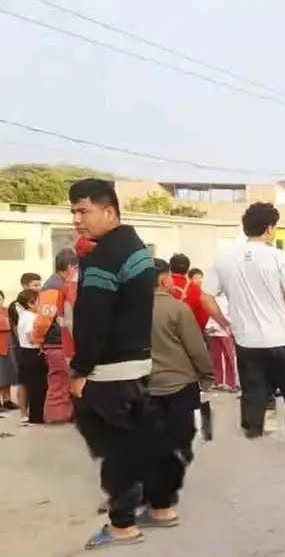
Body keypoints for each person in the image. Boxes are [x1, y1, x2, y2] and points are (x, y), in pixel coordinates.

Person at [67, 178, 157, 550]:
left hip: (108, 371)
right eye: (73, 211)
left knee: (114, 449)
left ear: (109, 211)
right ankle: (154, 501)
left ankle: (122, 525)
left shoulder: (103, 258)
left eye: (83, 211)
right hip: (137, 365)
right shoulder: (136, 248)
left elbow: (92, 321)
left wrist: (80, 370)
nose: (76, 220)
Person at [202, 202, 285, 442]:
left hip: (246, 341)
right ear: (270, 228)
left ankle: (253, 437)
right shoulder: (279, 257)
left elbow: (206, 297)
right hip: (281, 339)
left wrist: (225, 322)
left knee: (254, 393)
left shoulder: (224, 257)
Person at [143, 258, 214, 527]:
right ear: (163, 280)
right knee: (181, 440)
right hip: (180, 386)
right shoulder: (177, 309)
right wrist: (207, 375)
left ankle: (151, 495)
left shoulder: (128, 311)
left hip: (145, 386)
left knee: (151, 441)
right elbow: (196, 347)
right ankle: (163, 502)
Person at [32, 248, 80, 424]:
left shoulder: (56, 284)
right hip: (56, 343)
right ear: (70, 267)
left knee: (61, 382)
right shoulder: (55, 286)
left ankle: (60, 417)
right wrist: (38, 339)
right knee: (58, 383)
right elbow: (45, 318)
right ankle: (56, 419)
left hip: (58, 342)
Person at [168, 253, 226, 333]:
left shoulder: (161, 285)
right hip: (187, 333)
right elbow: (202, 316)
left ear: (170, 268)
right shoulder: (196, 289)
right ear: (188, 269)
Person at [15, 289, 47, 425]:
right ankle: (36, 416)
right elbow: (32, 338)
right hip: (31, 353)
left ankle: (25, 414)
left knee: (25, 384)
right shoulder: (30, 317)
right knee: (36, 386)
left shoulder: (24, 315)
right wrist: (47, 341)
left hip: (24, 352)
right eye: (38, 301)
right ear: (30, 303)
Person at [206, 294, 238, 392]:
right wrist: (208, 327)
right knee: (215, 357)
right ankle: (217, 381)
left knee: (229, 357)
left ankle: (231, 383)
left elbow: (231, 315)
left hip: (225, 330)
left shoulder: (228, 298)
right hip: (212, 331)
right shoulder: (210, 297)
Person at [0, 291, 14, 410]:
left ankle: (7, 400)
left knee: (7, 375)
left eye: (1, 299)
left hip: (8, 346)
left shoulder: (6, 310)